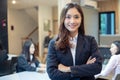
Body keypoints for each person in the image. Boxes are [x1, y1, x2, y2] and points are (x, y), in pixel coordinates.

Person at [47, 2, 102, 80]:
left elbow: (97, 67)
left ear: (81, 19)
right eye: (68, 17)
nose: (72, 21)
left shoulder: (90, 41)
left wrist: (68, 69)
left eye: (76, 17)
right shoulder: (54, 43)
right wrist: (84, 69)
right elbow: (52, 73)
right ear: (63, 19)